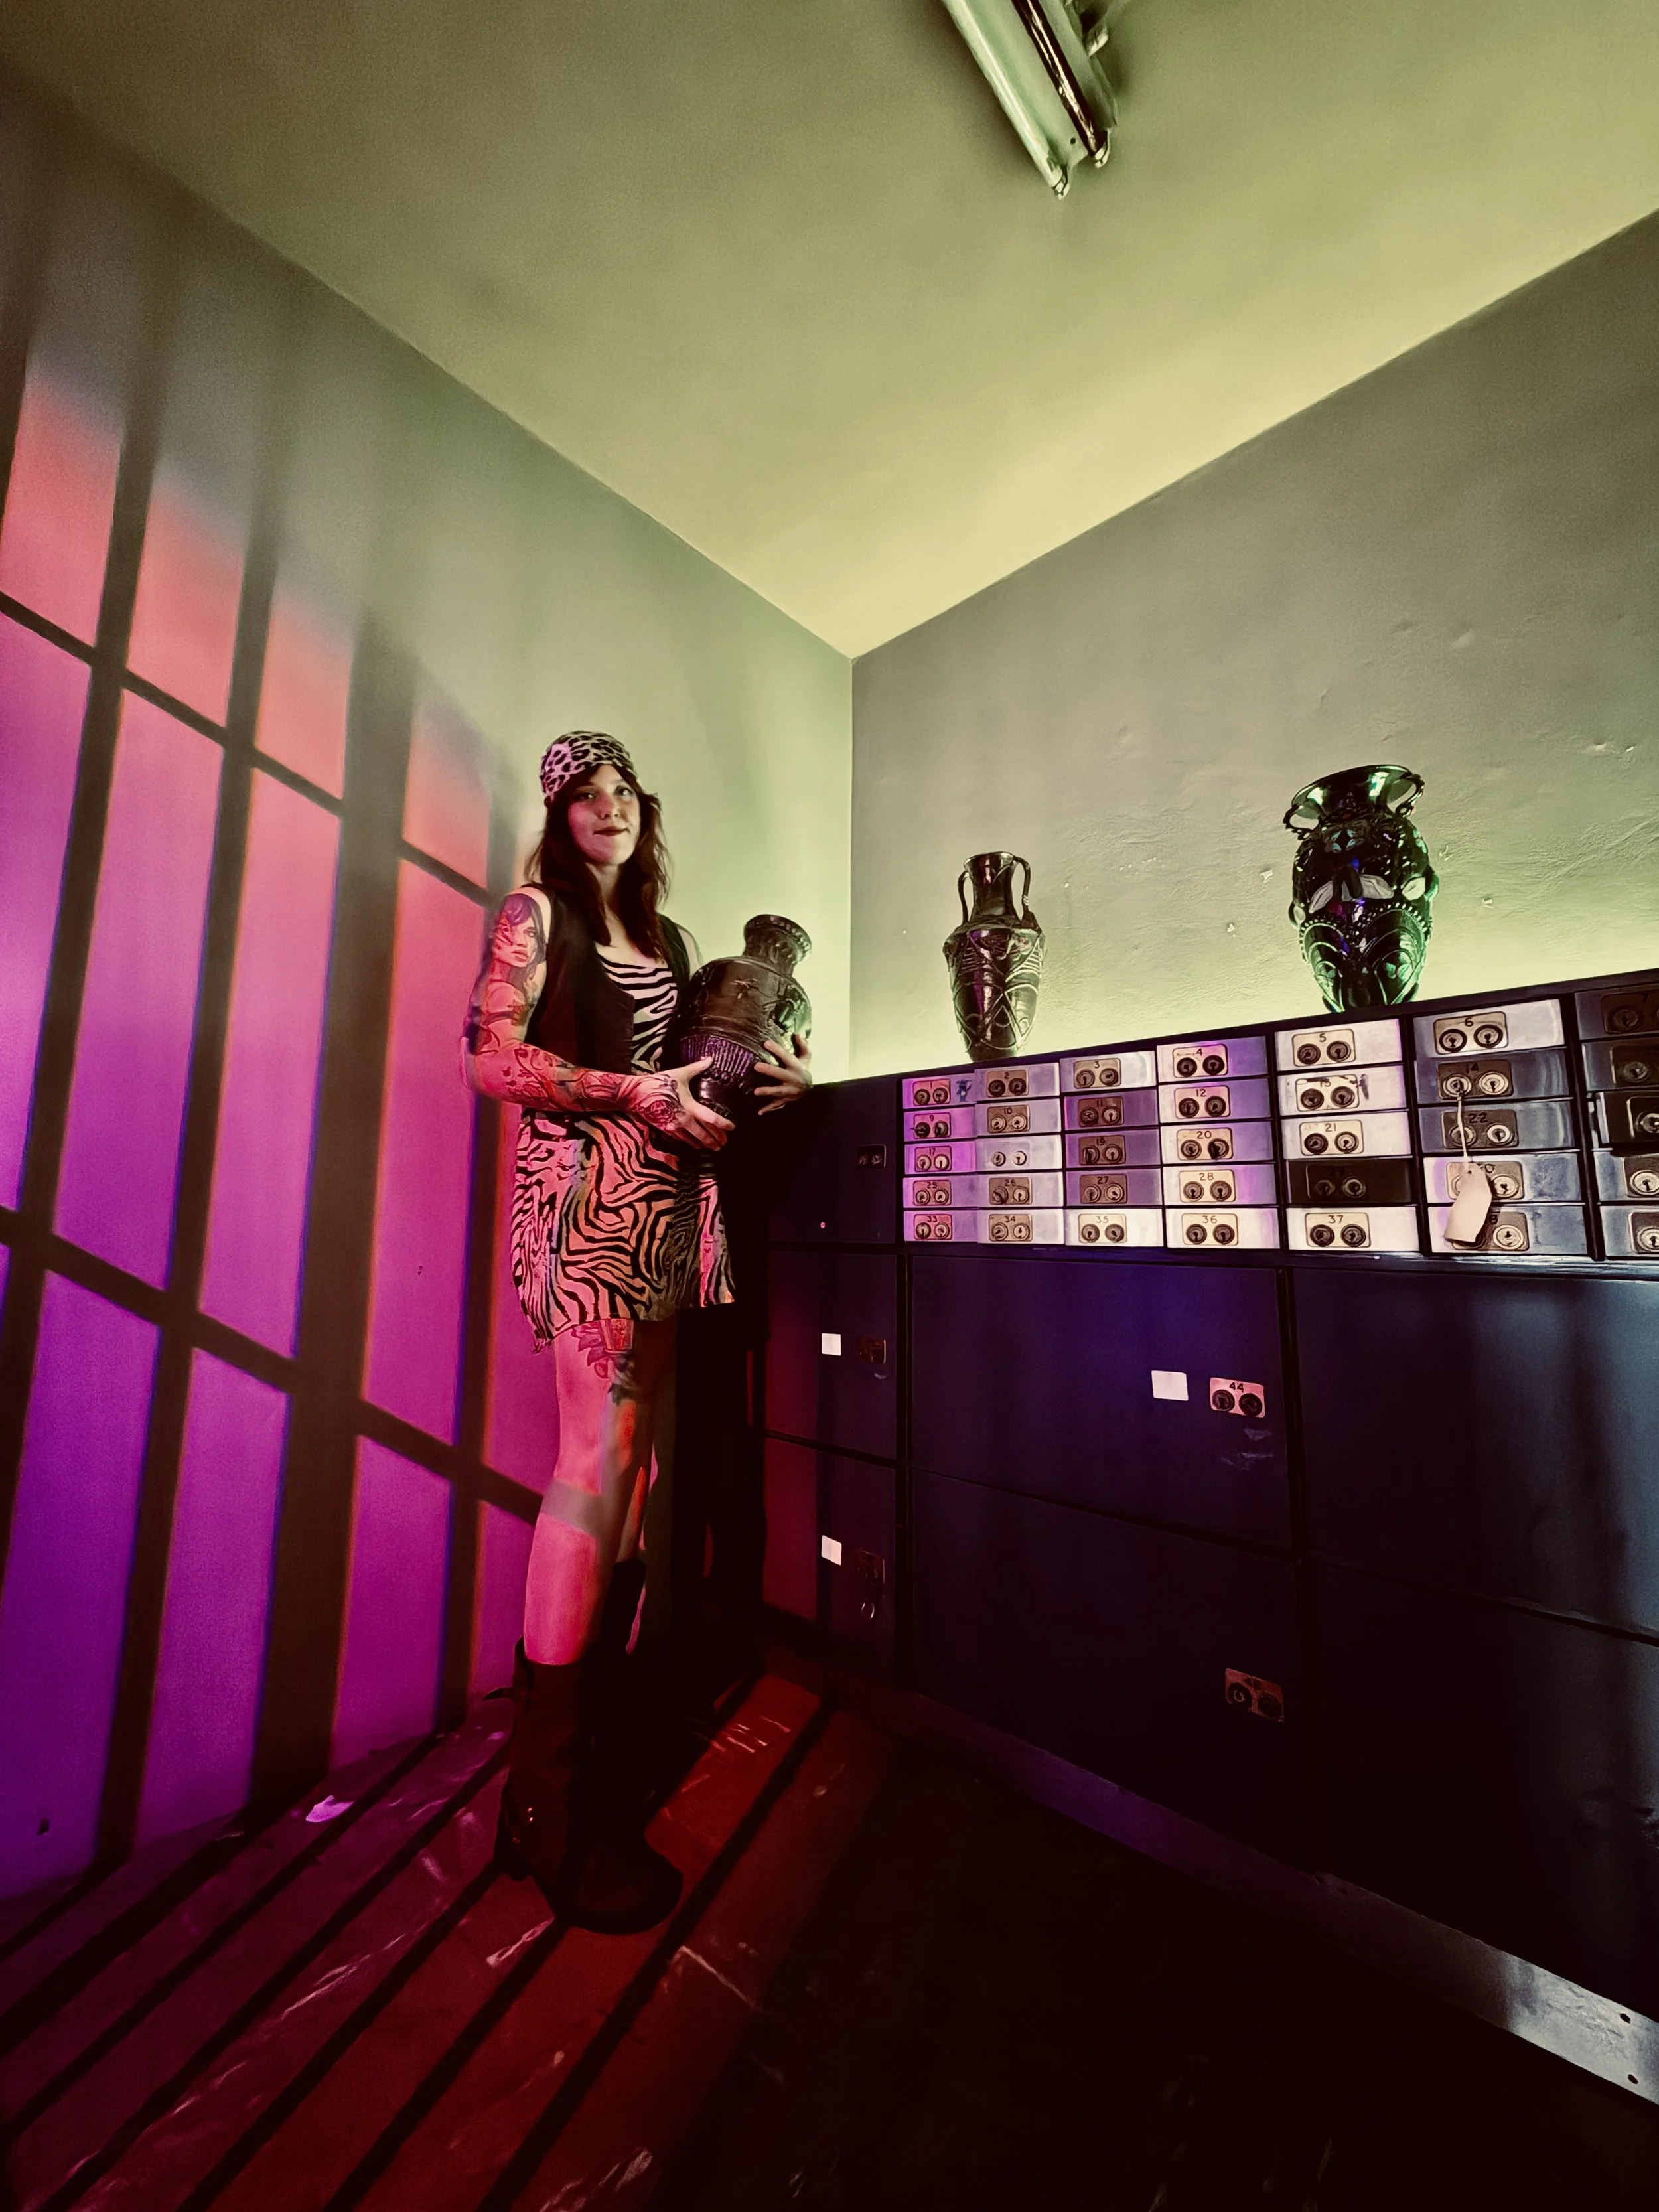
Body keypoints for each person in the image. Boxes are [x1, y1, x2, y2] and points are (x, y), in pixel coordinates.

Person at [461, 729, 811, 1932]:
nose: (608, 807)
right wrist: (632, 1093)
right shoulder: (536, 914)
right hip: (586, 1201)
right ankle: (549, 1802)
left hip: (665, 1210)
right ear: (560, 814)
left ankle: (580, 1765)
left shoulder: (675, 943)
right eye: (586, 794)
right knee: (593, 1465)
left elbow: (703, 1078)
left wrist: (782, 1082)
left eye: (624, 791)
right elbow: (490, 1061)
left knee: (635, 1468)